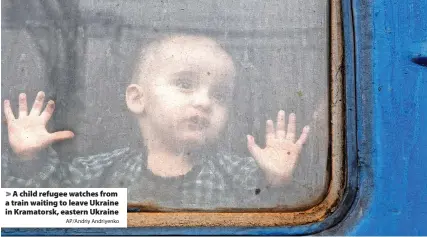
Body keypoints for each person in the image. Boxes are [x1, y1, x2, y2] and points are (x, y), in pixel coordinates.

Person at [2, 34, 310, 209]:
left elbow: (273, 220)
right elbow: (43, 208)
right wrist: (29, 160)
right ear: (138, 98)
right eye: (185, 84)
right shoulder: (99, 171)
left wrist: (276, 181)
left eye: (220, 95)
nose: (204, 101)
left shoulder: (241, 175)